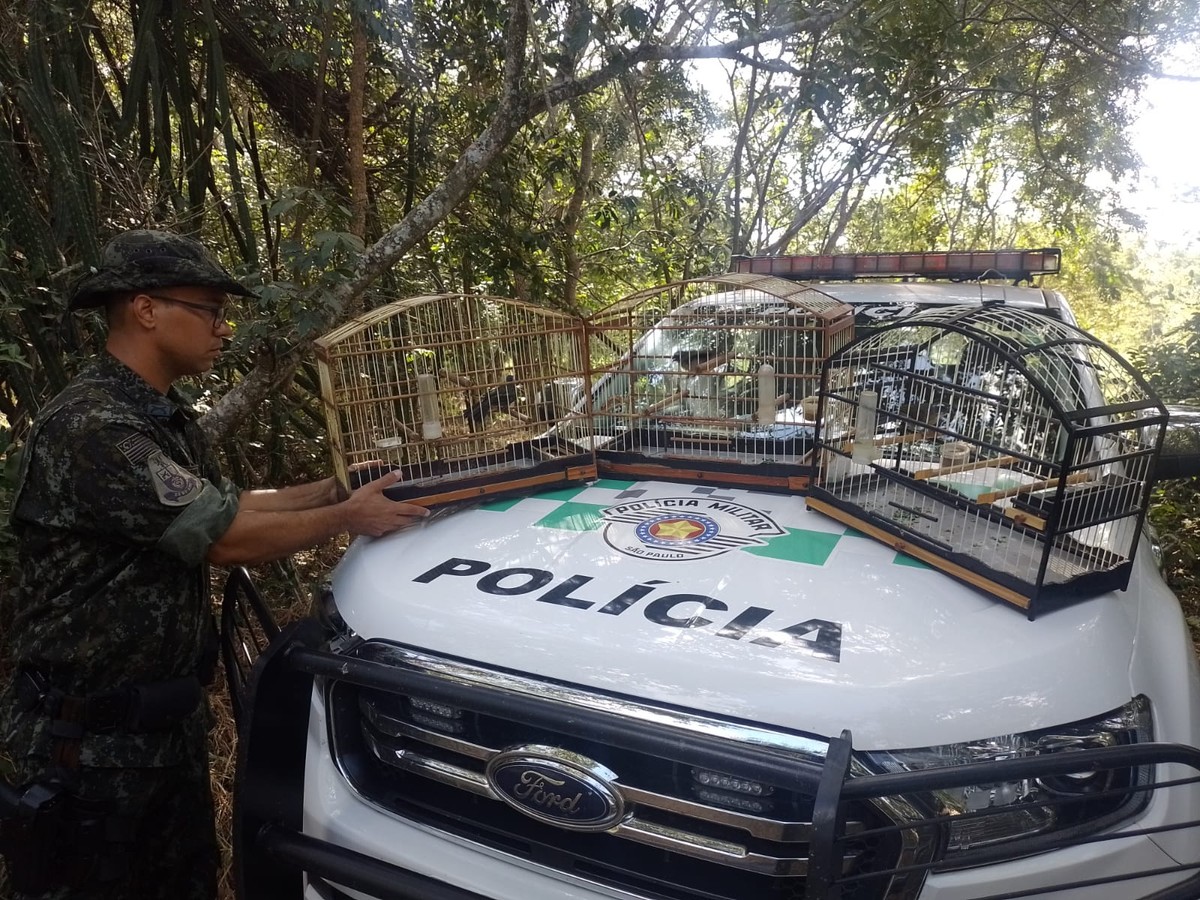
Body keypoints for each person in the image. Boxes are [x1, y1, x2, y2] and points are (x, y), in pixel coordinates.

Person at [0, 229, 428, 899]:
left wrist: (335, 487)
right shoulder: (94, 428)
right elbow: (222, 538)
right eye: (208, 309)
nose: (223, 329)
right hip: (86, 749)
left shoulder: (158, 419)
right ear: (146, 309)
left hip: (158, 734)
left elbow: (224, 504)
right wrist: (349, 518)